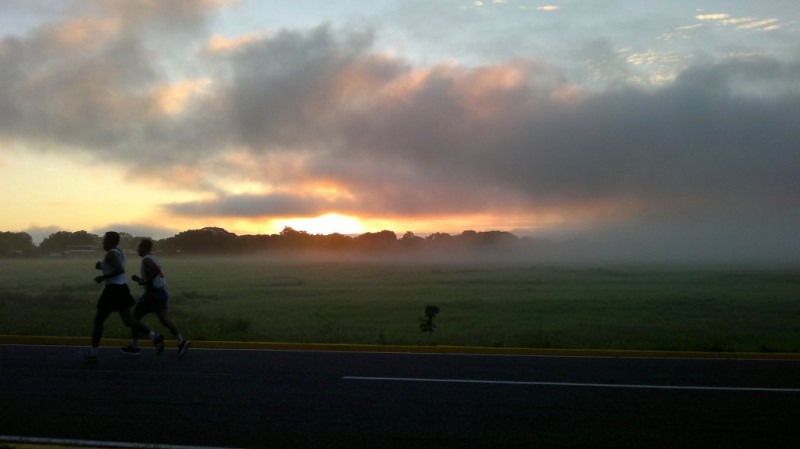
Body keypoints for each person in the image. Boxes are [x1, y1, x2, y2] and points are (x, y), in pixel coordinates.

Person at [88, 232, 164, 361]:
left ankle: (93, 353)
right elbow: (115, 266)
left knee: (98, 321)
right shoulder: (119, 252)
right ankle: (154, 337)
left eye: (105, 240)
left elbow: (119, 269)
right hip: (122, 288)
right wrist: (102, 266)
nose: (103, 243)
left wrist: (103, 277)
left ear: (110, 242)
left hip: (112, 289)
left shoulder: (111, 253)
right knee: (129, 321)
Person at [123, 238, 190, 358]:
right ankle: (181, 341)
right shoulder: (153, 257)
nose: (137, 249)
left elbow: (156, 270)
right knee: (165, 319)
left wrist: (147, 281)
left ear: (144, 248)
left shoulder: (146, 259)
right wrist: (141, 280)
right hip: (161, 293)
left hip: (151, 295)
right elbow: (154, 275)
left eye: (139, 247)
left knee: (134, 318)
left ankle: (138, 345)